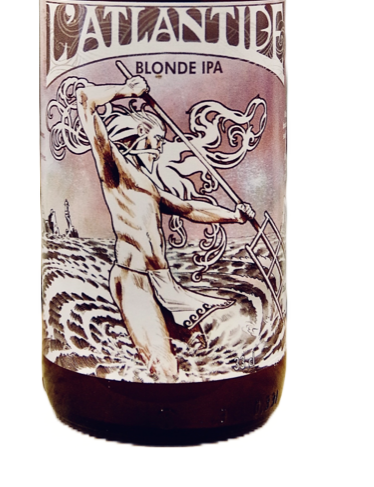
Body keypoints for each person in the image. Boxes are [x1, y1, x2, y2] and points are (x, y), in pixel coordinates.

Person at [76, 74, 255, 382]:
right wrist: (125, 91)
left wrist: (234, 216)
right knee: (163, 365)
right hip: (135, 279)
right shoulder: (114, 170)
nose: (160, 146)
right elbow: (84, 99)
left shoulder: (148, 185)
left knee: (198, 342)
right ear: (140, 137)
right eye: (157, 139)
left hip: (163, 281)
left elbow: (190, 208)